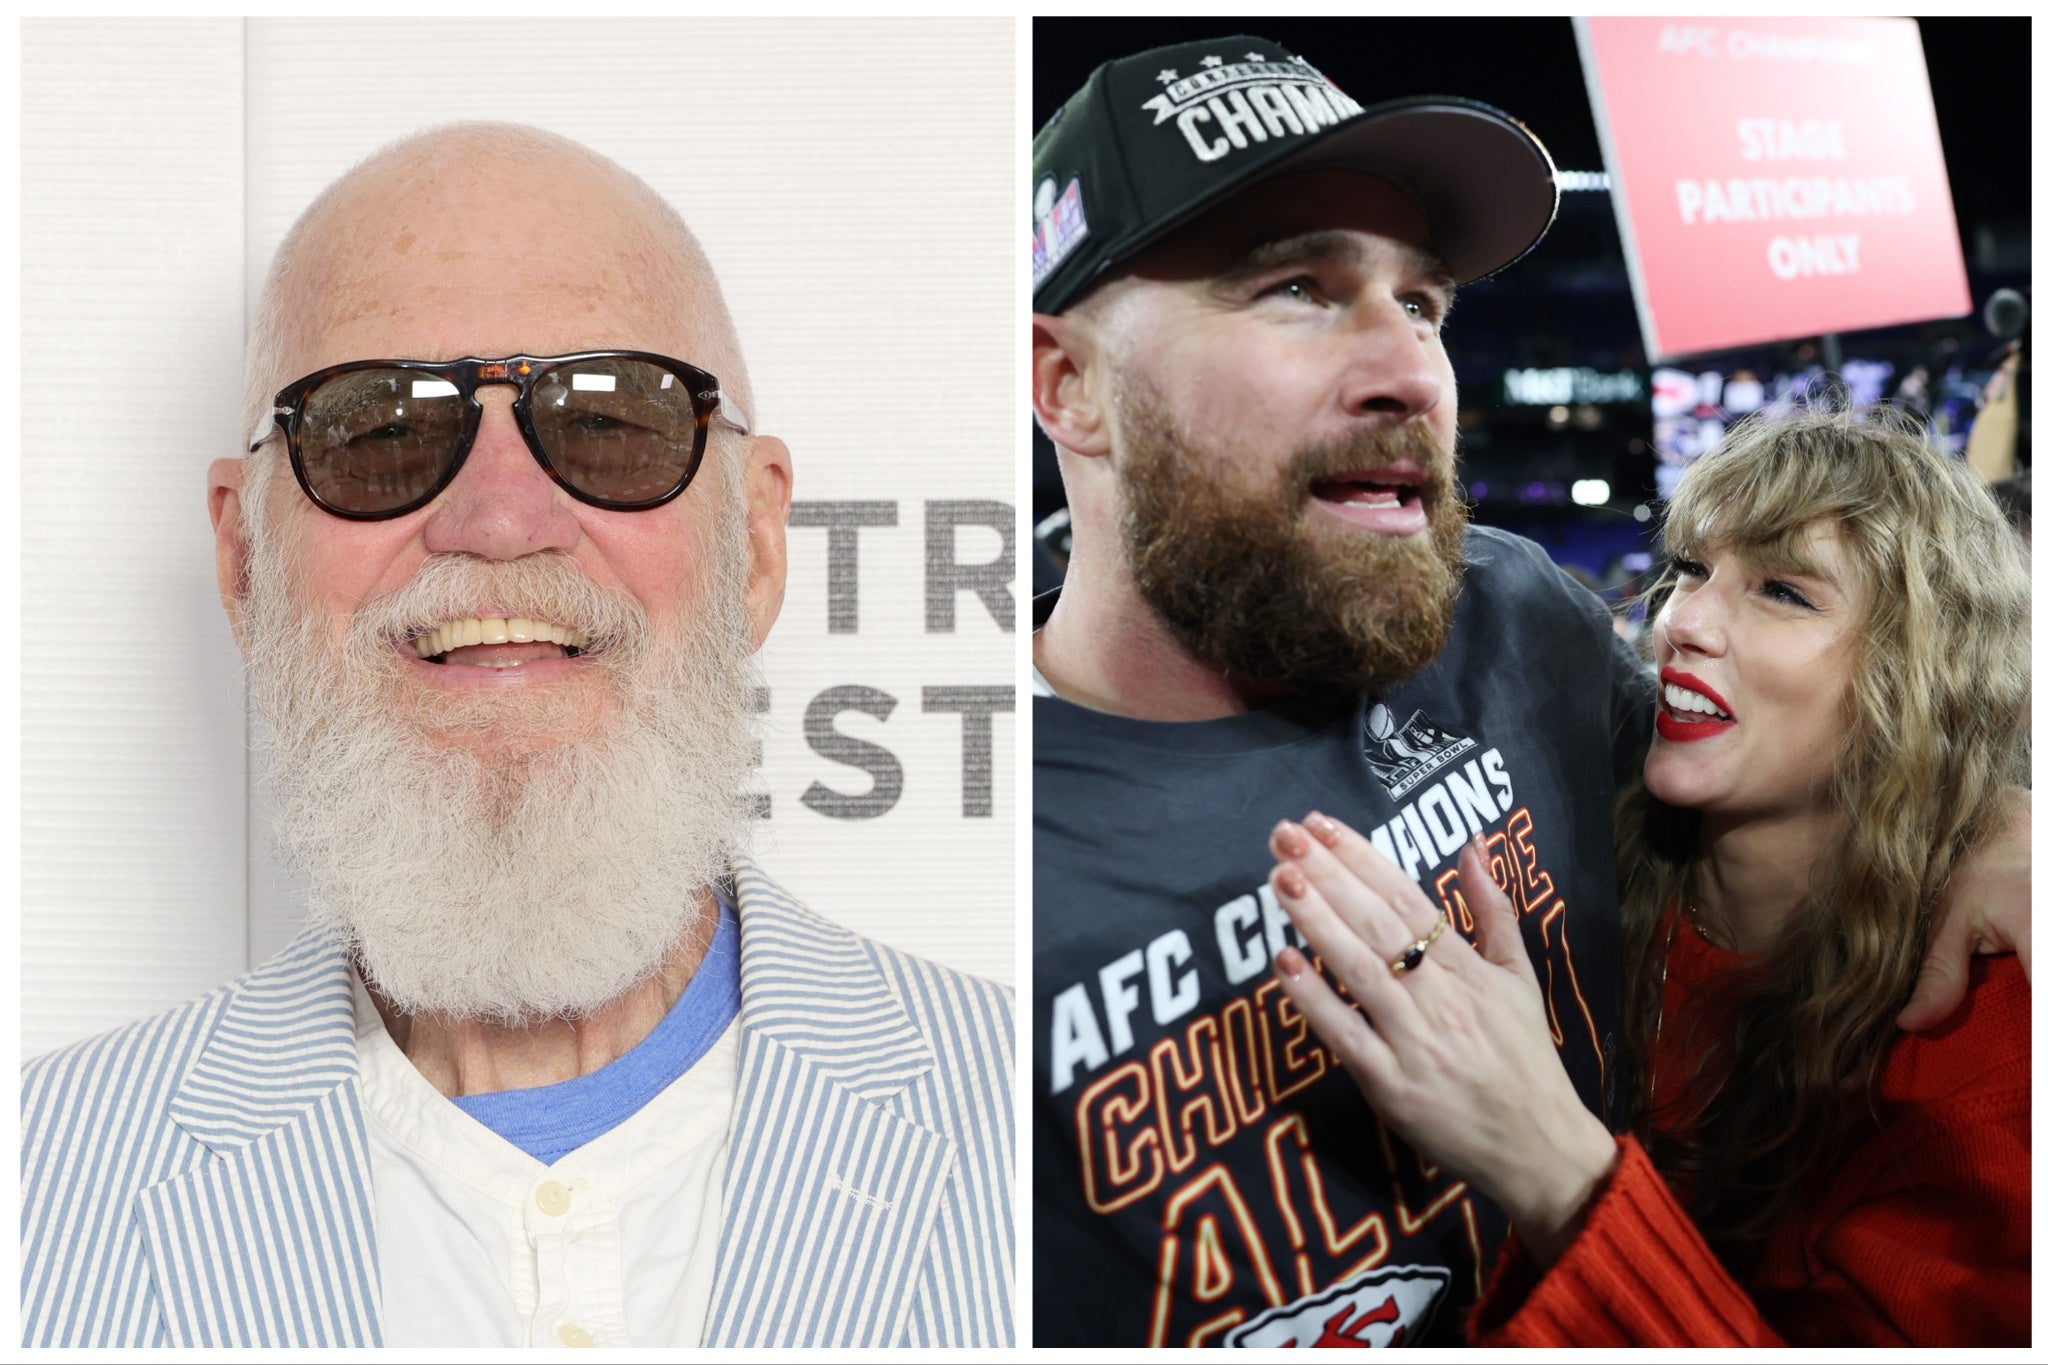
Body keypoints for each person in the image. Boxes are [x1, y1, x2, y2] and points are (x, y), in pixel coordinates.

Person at [1028, 35, 2026, 1347]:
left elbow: (1781, 803)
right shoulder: (936, 894)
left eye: (1425, 303)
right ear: (1071, 385)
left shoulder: (1511, 611)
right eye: (1298, 288)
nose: (1414, 372)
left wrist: (1982, 820)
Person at [21, 124, 1012, 1349]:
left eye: (610, 421)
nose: (498, 519)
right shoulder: (37, 1189)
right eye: (376, 431)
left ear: (752, 550)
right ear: (243, 564)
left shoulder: (1039, 1118)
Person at [1266, 406, 2029, 1345]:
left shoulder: (1987, 1026)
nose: (1680, 623)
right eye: (1694, 569)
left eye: (1783, 592)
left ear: (1925, 678)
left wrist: (1557, 1169)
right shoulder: (1572, 823)